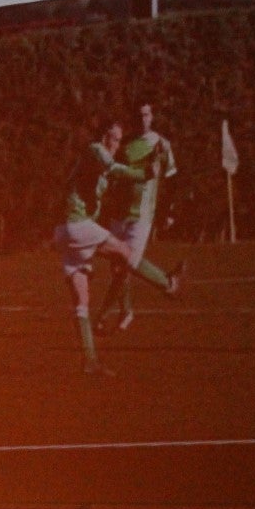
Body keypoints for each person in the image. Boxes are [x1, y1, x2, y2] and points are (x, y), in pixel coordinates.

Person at [53, 114, 180, 376]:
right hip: (77, 223)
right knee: (124, 251)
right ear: (105, 136)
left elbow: (113, 177)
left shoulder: (100, 161)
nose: (117, 145)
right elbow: (113, 169)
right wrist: (145, 173)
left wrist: (151, 161)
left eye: (120, 140)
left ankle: (90, 361)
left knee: (81, 299)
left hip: (64, 231)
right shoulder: (95, 149)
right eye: (115, 139)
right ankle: (167, 284)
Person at [94, 100, 182, 334]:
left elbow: (172, 179)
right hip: (119, 212)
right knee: (118, 267)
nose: (143, 119)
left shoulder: (161, 144)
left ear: (152, 116)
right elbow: (114, 173)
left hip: (142, 213)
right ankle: (127, 309)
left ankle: (103, 315)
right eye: (139, 115)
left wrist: (168, 212)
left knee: (129, 262)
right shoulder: (125, 144)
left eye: (146, 114)